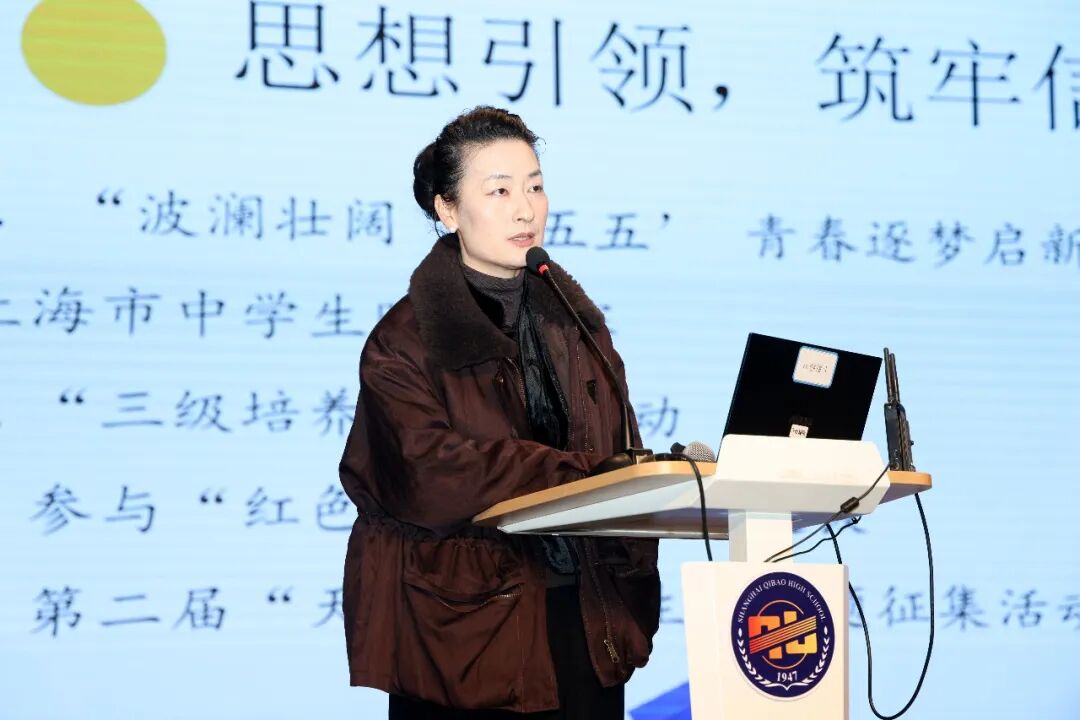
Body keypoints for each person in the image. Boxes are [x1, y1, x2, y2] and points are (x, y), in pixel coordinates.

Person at [338, 106, 660, 720]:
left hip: (585, 623)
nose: (525, 209)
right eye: (500, 191)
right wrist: (579, 473)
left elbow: (615, 453)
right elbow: (430, 476)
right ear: (447, 209)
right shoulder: (405, 340)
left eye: (535, 187)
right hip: (464, 640)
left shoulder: (576, 325)